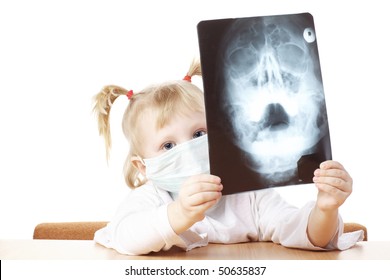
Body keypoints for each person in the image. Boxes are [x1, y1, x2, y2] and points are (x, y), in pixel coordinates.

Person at [92, 59, 363, 255]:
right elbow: (125, 238)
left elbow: (304, 233)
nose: (188, 149)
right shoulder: (150, 199)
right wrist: (180, 213)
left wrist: (326, 209)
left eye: (199, 134)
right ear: (143, 166)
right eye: (167, 145)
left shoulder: (250, 196)